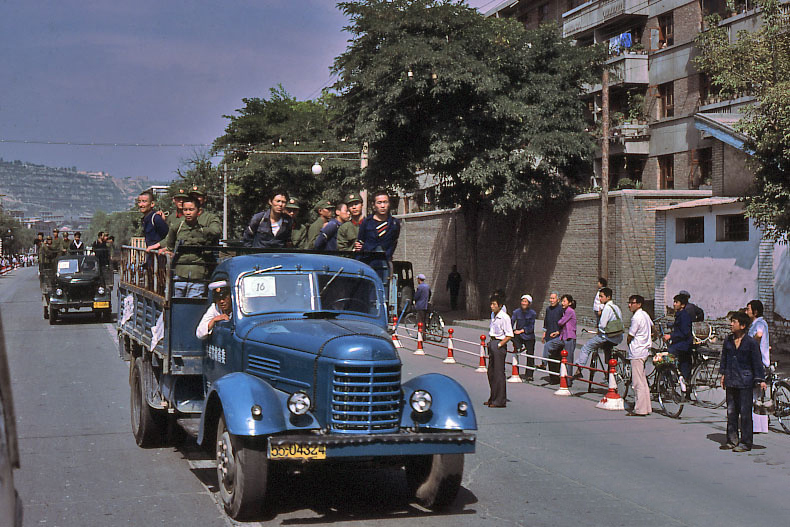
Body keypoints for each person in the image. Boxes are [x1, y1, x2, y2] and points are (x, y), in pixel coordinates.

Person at [720, 311, 765, 452]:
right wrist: (723, 375)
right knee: (731, 411)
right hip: (731, 379)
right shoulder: (728, 340)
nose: (731, 324)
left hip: (745, 381)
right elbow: (724, 359)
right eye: (731, 321)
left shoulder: (750, 343)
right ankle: (732, 440)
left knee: (745, 413)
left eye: (734, 322)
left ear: (743, 325)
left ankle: (746, 442)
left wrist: (760, 379)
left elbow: (757, 362)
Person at [160, 196, 221, 297]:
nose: (188, 213)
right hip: (179, 275)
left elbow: (216, 233)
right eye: (185, 210)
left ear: (198, 211)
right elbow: (170, 245)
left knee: (192, 306)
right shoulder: (177, 227)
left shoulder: (204, 230)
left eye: (191, 209)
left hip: (198, 275)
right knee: (176, 305)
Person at [574, 287, 624, 379]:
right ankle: (610, 371)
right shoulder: (616, 308)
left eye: (601, 296)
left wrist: (599, 331)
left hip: (607, 336)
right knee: (607, 350)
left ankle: (579, 369)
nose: (600, 299)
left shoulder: (607, 308)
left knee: (587, 347)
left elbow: (602, 325)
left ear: (608, 297)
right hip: (618, 337)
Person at [356, 190, 401, 288]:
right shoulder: (366, 223)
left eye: (385, 202)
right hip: (368, 262)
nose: (382, 206)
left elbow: (394, 241)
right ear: (374, 205)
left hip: (385, 264)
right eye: (379, 202)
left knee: (383, 290)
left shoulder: (394, 224)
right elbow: (360, 241)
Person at [626, 294, 653, 416]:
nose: (629, 305)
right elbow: (654, 328)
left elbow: (630, 335)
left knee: (637, 382)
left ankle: (640, 409)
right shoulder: (645, 315)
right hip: (645, 350)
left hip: (637, 351)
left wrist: (629, 342)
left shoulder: (636, 318)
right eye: (629, 303)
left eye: (632, 303)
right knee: (643, 380)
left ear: (639, 304)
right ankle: (647, 407)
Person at [485, 293, 512, 408]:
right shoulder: (493, 315)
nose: (492, 306)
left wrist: (500, 344)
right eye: (491, 304)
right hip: (492, 341)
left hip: (499, 344)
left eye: (494, 304)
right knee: (491, 372)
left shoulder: (505, 317)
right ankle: (492, 397)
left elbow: (509, 335)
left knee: (499, 373)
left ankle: (500, 400)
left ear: (500, 305)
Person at [746, 299, 770, 433]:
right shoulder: (756, 323)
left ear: (755, 311)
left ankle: (755, 426)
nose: (747, 311)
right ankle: (759, 426)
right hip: (758, 361)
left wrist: (748, 343)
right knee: (758, 395)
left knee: (755, 394)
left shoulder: (760, 322)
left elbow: (759, 335)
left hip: (758, 362)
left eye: (748, 309)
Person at [663, 294, 693, 388]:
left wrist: (670, 336)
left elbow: (684, 332)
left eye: (676, 302)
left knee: (666, 357)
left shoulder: (684, 315)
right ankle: (681, 381)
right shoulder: (680, 314)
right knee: (684, 366)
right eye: (674, 302)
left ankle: (667, 379)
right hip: (682, 343)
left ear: (682, 305)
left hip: (683, 345)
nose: (674, 304)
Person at [511, 294, 537, 381]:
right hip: (519, 335)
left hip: (529, 336)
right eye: (522, 301)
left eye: (525, 302)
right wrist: (510, 331)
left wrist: (521, 330)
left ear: (529, 303)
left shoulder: (532, 313)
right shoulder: (516, 312)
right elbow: (511, 322)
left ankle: (529, 374)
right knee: (511, 335)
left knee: (530, 355)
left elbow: (531, 327)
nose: (523, 303)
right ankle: (519, 347)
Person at [541, 292, 564, 383]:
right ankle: (552, 378)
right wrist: (544, 333)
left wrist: (559, 332)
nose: (551, 300)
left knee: (557, 356)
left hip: (558, 336)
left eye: (553, 298)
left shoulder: (560, 310)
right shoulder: (548, 309)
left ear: (558, 300)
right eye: (550, 298)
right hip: (549, 334)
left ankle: (557, 376)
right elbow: (546, 322)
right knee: (550, 356)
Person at [556, 294, 577, 378]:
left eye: (564, 301)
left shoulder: (569, 311)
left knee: (569, 358)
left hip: (569, 336)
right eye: (562, 301)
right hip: (564, 336)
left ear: (570, 303)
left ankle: (568, 378)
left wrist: (559, 321)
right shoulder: (565, 311)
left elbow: (561, 322)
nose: (562, 303)